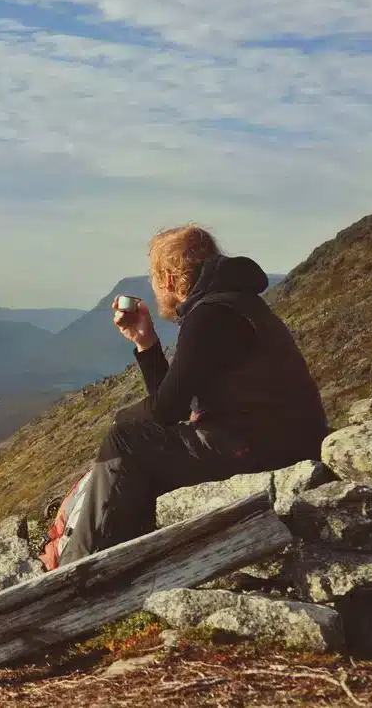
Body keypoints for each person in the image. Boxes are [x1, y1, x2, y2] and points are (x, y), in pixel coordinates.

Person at [58, 223, 328, 566]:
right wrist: (146, 343)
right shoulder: (235, 305)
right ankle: (129, 559)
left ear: (169, 279)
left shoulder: (210, 316)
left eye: (155, 281)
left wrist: (123, 420)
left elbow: (165, 412)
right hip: (279, 442)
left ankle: (77, 571)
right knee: (144, 441)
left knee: (126, 436)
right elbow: (175, 407)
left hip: (258, 449)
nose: (156, 292)